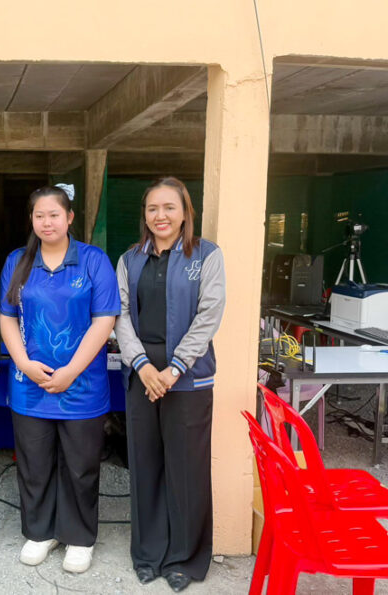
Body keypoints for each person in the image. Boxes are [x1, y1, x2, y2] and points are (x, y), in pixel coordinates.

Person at [0, 185, 120, 574]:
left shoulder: (92, 261)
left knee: (80, 465)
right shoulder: (18, 261)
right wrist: (24, 362)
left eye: (54, 214)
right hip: (29, 384)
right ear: (31, 221)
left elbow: (105, 320)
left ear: (69, 218)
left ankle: (80, 537)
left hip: (82, 386)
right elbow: (6, 317)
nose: (46, 222)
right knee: (34, 463)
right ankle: (40, 531)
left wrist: (71, 371)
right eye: (39, 216)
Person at [115, 177, 226, 593]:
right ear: (144, 215)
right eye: (152, 209)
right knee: (144, 464)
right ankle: (147, 553)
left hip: (189, 376)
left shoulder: (207, 255)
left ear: (185, 212)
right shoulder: (130, 259)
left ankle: (185, 557)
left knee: (186, 468)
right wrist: (141, 364)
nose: (160, 216)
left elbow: (210, 314)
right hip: (142, 372)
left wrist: (175, 367)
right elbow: (120, 314)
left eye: (169, 207)